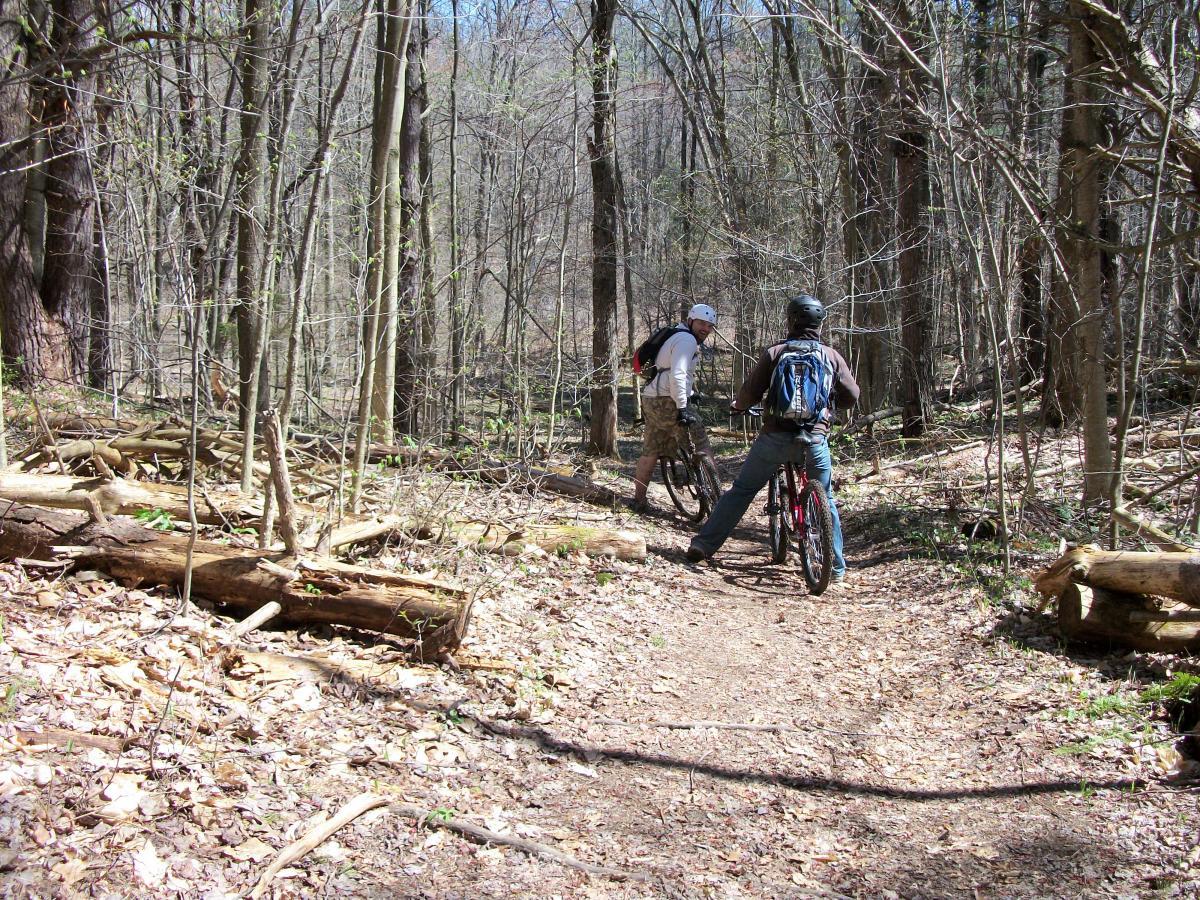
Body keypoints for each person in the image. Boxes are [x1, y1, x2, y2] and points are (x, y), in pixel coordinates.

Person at [686, 294, 859, 581]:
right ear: (820, 323)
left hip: (774, 438)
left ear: (791, 320)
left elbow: (751, 391)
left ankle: (703, 545)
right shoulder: (831, 356)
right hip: (814, 439)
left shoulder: (776, 352)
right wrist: (829, 410)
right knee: (825, 496)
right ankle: (836, 568)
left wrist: (738, 407)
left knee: (742, 491)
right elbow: (851, 395)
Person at [628, 303, 719, 513]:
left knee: (651, 448)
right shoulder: (687, 340)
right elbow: (678, 374)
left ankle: (638, 500)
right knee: (701, 442)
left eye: (709, 325)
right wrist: (682, 406)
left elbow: (668, 370)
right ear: (690, 321)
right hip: (668, 400)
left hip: (652, 398)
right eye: (701, 323)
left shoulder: (676, 335)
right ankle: (718, 498)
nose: (705, 328)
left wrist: (690, 393)